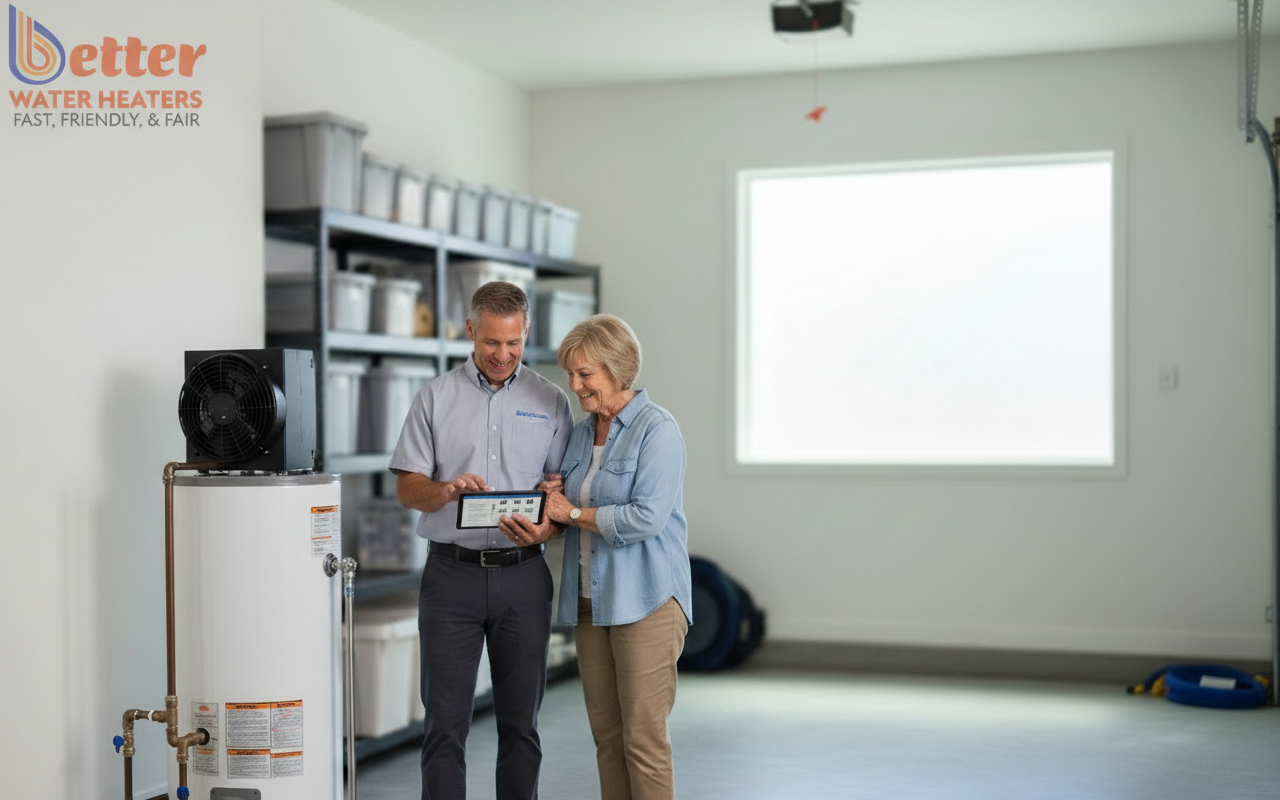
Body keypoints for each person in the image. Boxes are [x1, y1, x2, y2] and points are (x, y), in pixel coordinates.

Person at [390, 280, 572, 800]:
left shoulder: (551, 401)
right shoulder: (435, 397)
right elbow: (408, 488)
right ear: (471, 331)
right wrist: (445, 491)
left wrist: (549, 525)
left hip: (524, 577)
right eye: (492, 342)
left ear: (526, 332)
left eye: (513, 343)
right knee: (444, 727)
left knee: (521, 726)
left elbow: (558, 498)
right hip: (451, 580)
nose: (502, 354)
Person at [501, 313, 692, 800]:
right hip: (592, 603)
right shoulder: (583, 433)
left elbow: (645, 518)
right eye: (570, 373)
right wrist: (551, 504)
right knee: (607, 739)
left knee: (643, 740)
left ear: (617, 368)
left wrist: (575, 510)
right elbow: (566, 511)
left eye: (585, 373)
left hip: (647, 601)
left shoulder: (657, 429)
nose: (575, 384)